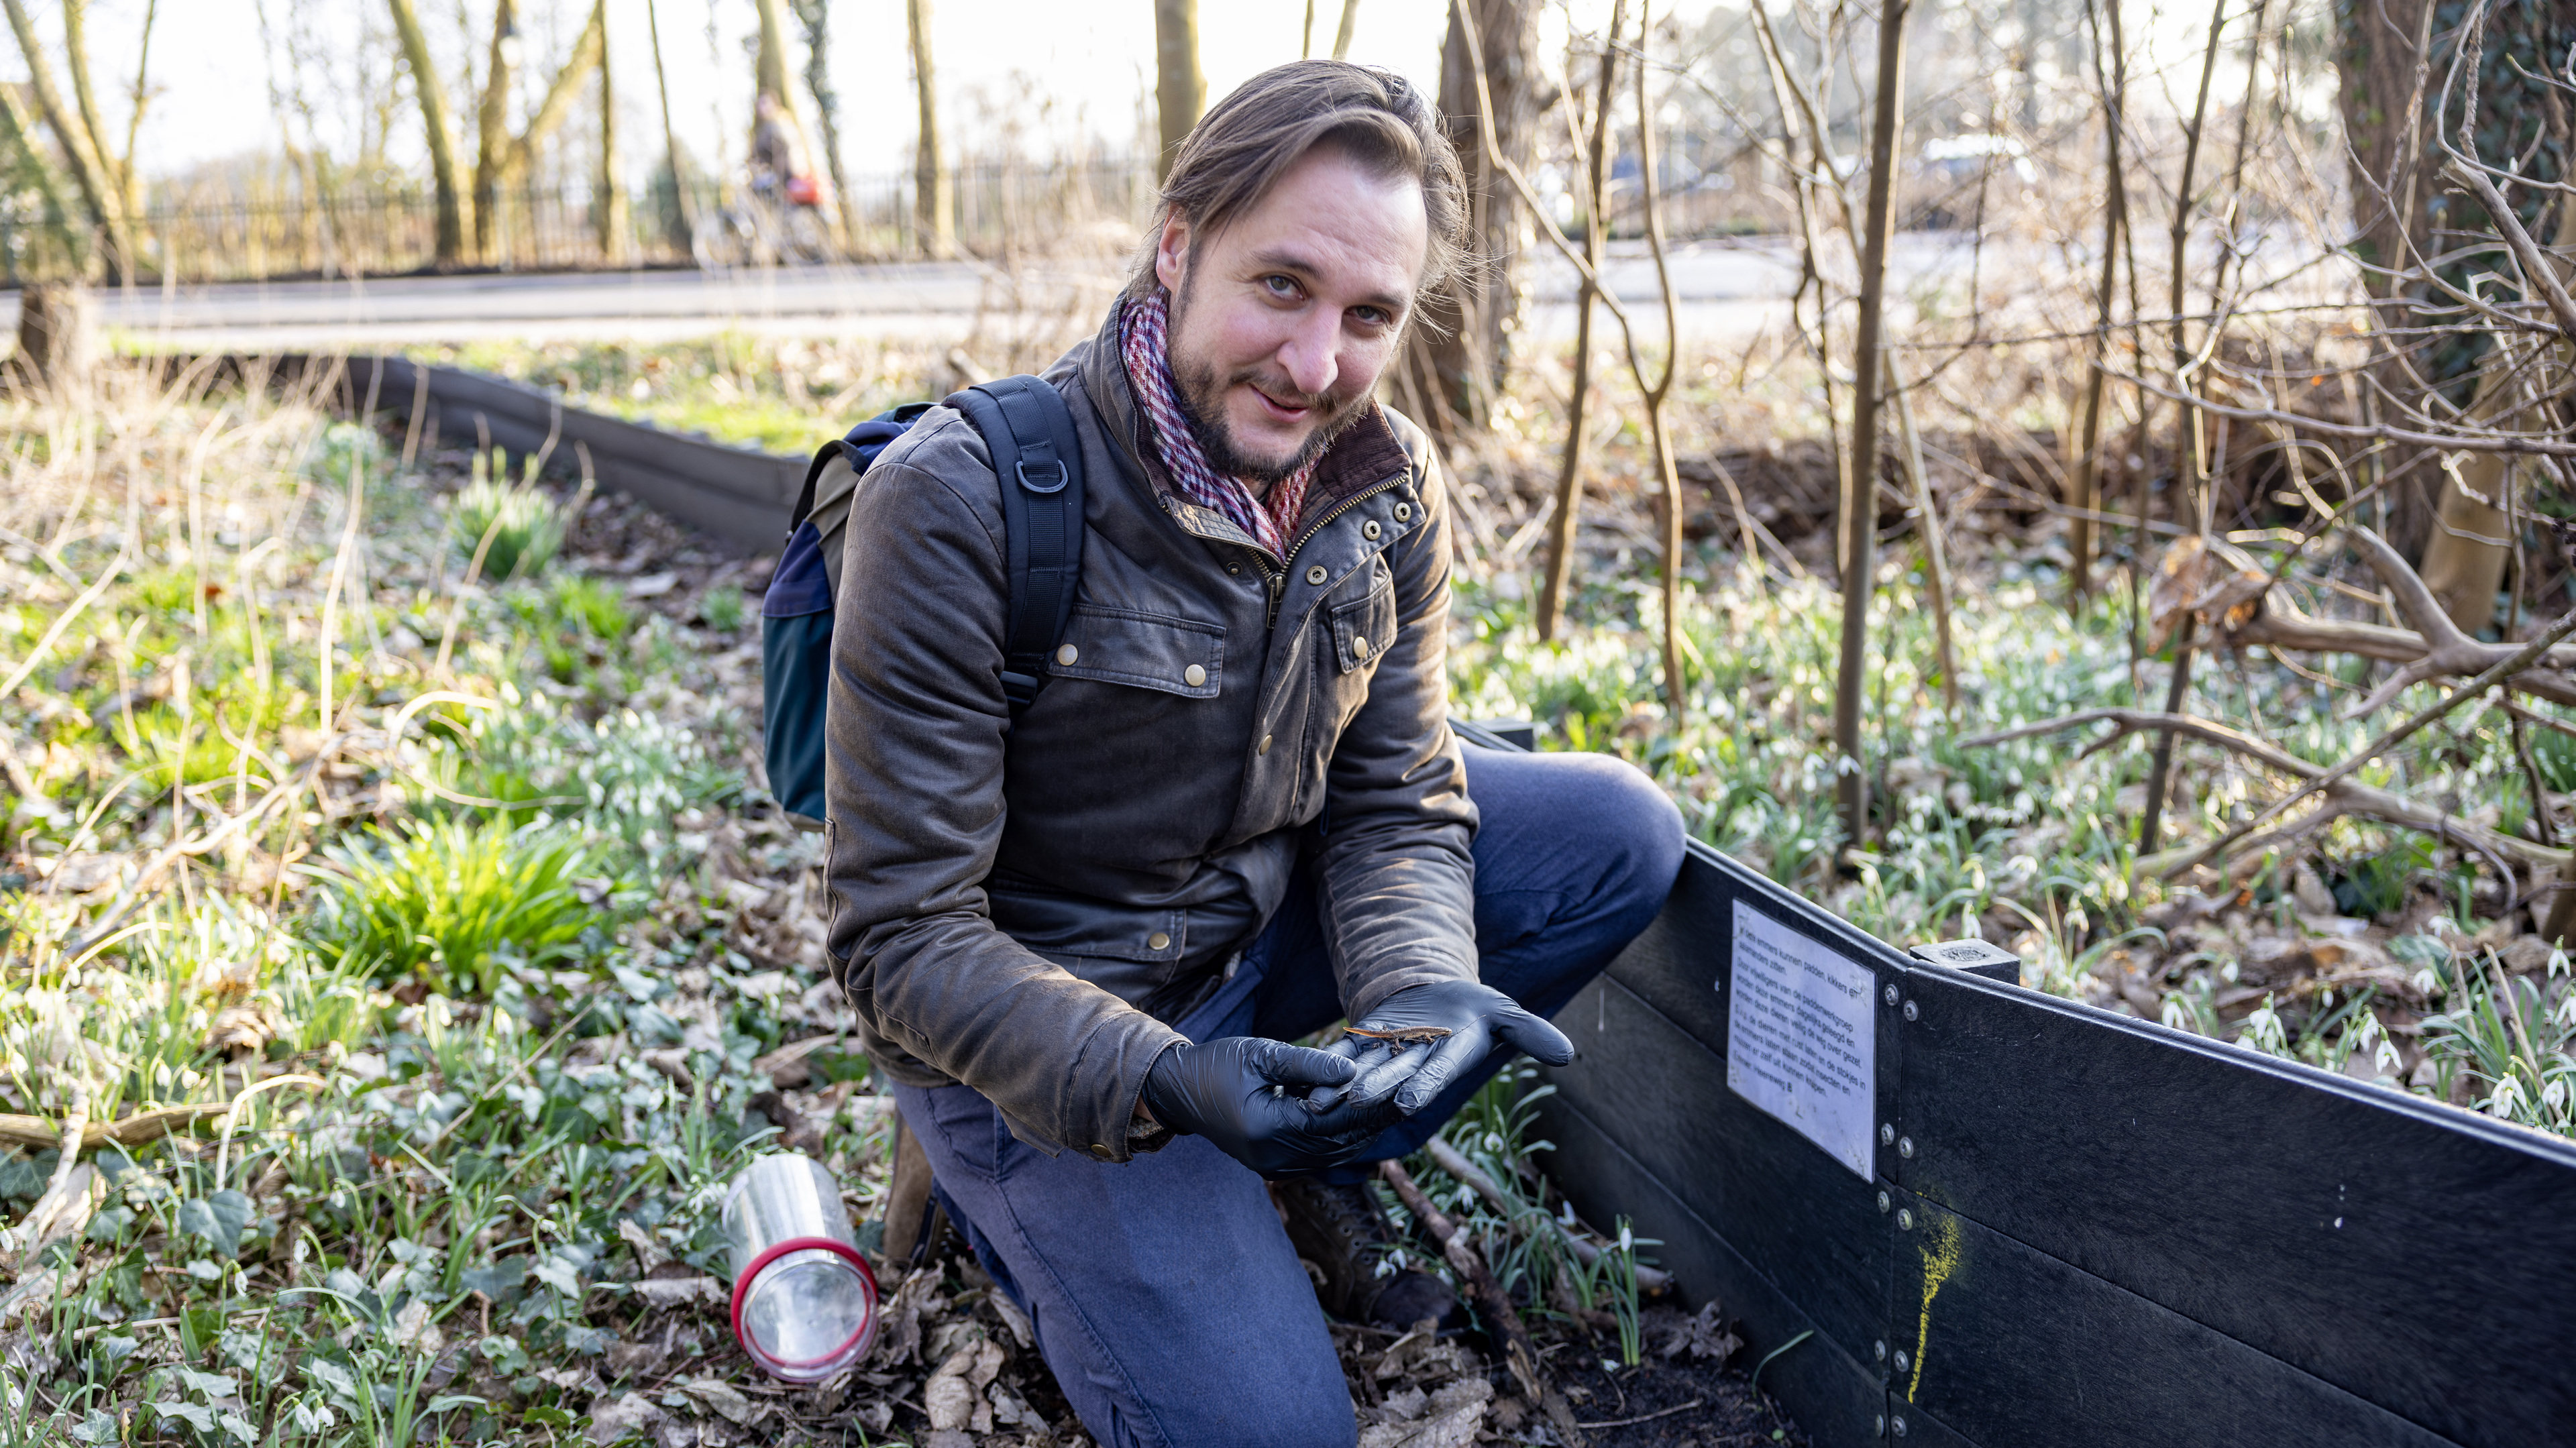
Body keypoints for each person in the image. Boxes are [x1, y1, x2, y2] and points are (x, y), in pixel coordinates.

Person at [823, 60, 1684, 1447]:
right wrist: (1166, 1082)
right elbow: (900, 936)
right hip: (1049, 1021)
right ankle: (1005, 1204)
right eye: (1280, 286)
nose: (1315, 365)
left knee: (1617, 837)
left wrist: (1419, 1001)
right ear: (1178, 246)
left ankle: (1304, 1142)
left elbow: (1397, 798)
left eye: (1368, 317)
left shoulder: (1383, 485)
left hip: (1250, 939)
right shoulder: (961, 497)